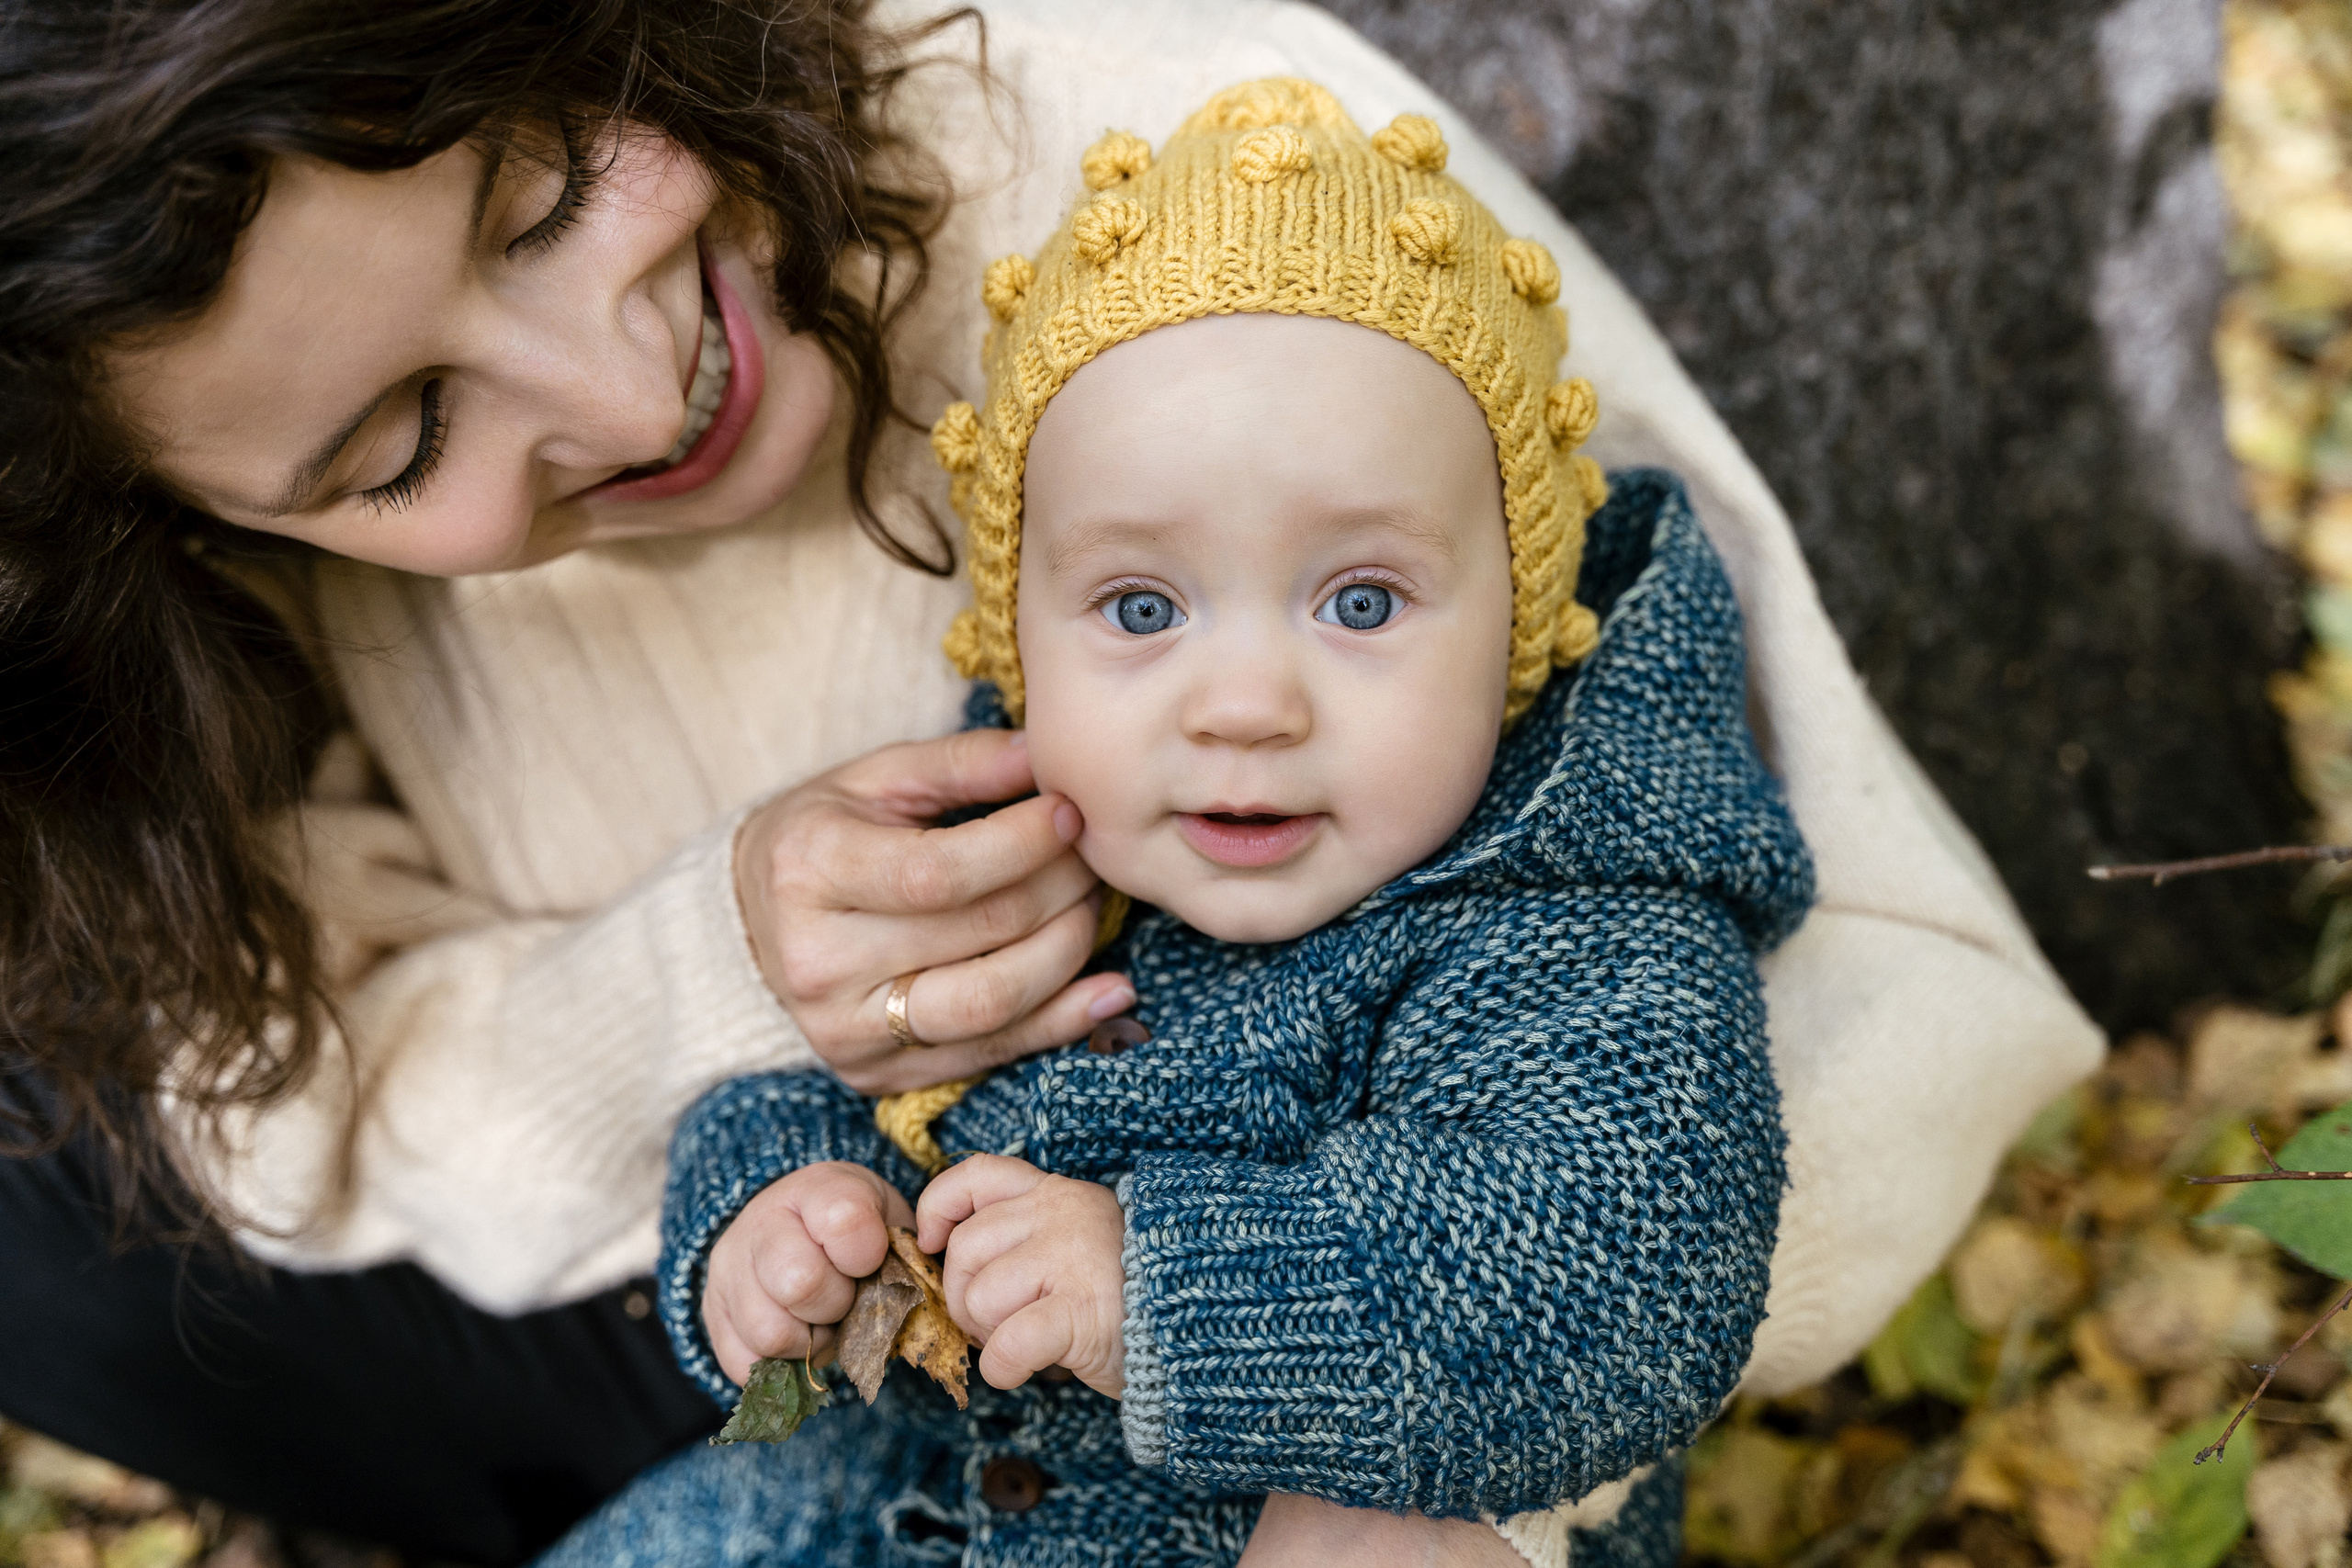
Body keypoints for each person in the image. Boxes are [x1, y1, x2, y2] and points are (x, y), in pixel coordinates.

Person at [0, 0, 2100, 1563]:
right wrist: (730, 1021)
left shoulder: (1187, 180)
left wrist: (1399, 1456)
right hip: (852, 1315)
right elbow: (287, 1115)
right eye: (395, 447)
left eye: (543, 193)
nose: (627, 388)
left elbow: (1761, 1023)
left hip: (1377, 1347)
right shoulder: (199, 588)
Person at [535, 80, 1814, 1568]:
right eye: (1142, 610)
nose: (1246, 705)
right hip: (887, 1499)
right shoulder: (1023, 852)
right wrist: (773, 1226)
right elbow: (843, 1088)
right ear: (1020, 641)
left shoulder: (1576, 926)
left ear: (1520, 623)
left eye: (1362, 602)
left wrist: (1155, 1291)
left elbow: (1618, 1276)